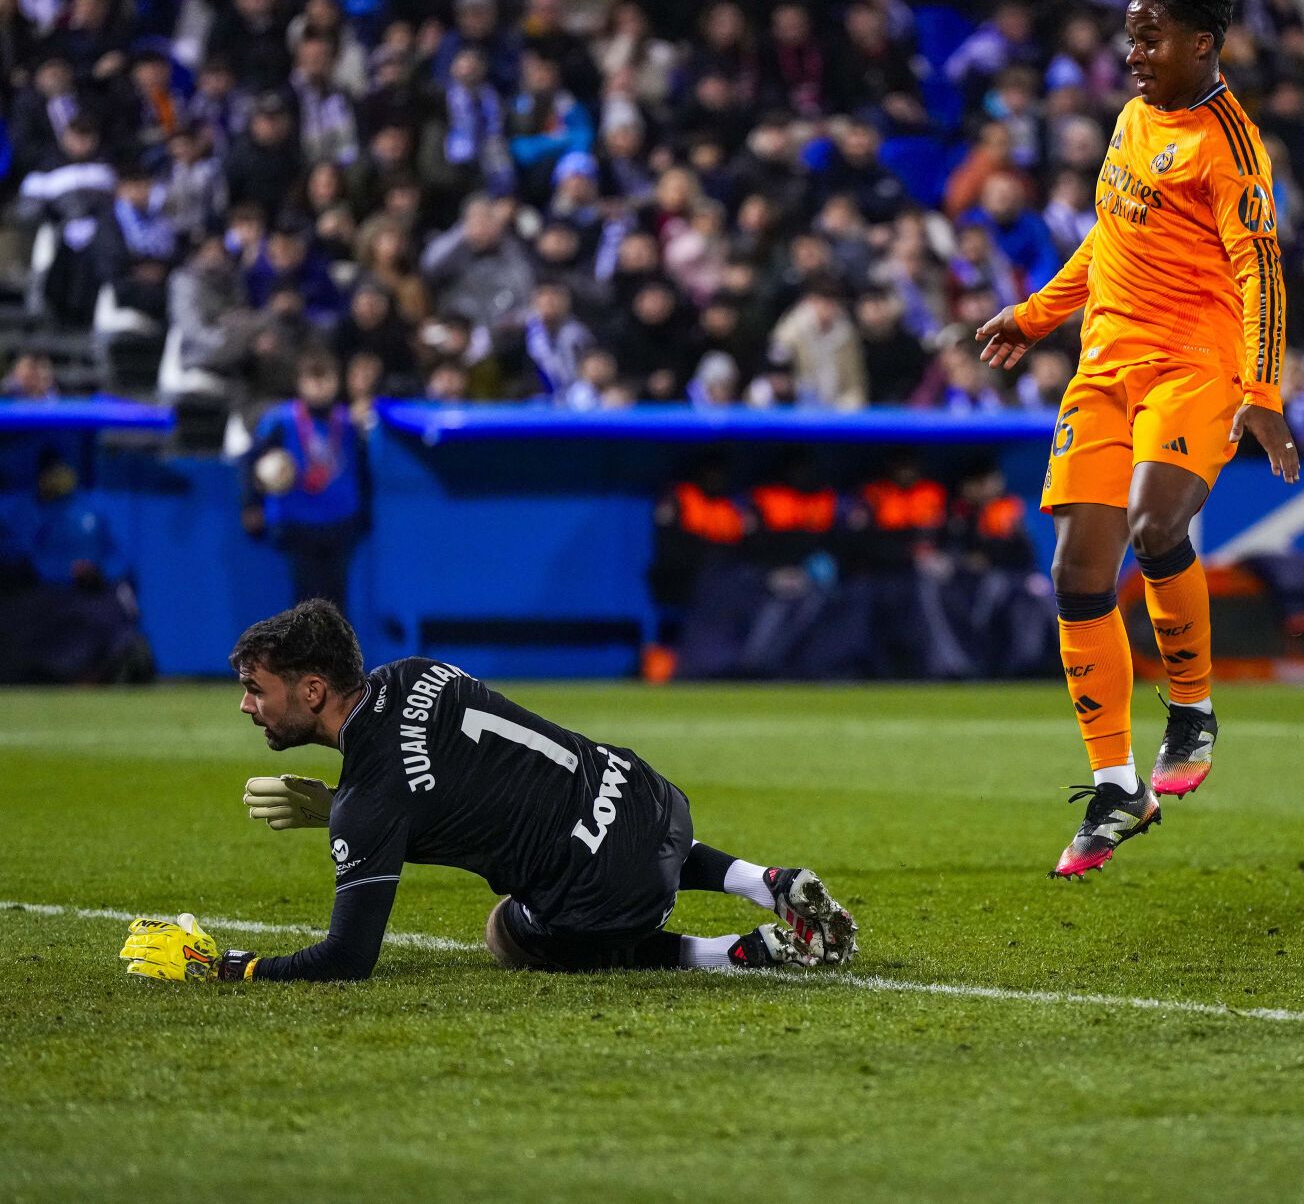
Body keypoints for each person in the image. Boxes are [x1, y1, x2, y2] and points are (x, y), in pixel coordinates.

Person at [975, 0, 1298, 878]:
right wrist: (1038, 314)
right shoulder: (1131, 119)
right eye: (1129, 36)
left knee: (1158, 525)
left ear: (1201, 43)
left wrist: (1262, 390)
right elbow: (1107, 239)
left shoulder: (1230, 145)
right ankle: (1117, 784)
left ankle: (1191, 707)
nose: (1131, 54)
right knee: (1079, 573)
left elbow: (1261, 271)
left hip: (1191, 367)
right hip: (1103, 369)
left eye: (1149, 38)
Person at [117, 599, 855, 983]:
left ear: (312, 688)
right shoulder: (412, 669)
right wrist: (344, 804)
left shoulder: (374, 796)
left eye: (256, 689)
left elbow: (347, 957)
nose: (248, 706)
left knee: (508, 929)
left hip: (610, 891)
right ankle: (763, 881)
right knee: (594, 825)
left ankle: (726, 952)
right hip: (649, 792)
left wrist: (227, 965)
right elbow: (455, 784)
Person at [242, 351, 370, 608]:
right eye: (313, 378)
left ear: (337, 381)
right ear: (300, 382)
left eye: (326, 378)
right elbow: (253, 462)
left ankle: (337, 648)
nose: (320, 386)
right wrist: (251, 503)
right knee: (305, 599)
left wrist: (364, 515)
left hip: (340, 522)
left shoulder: (348, 423)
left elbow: (363, 472)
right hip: (296, 522)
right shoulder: (280, 421)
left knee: (337, 600)